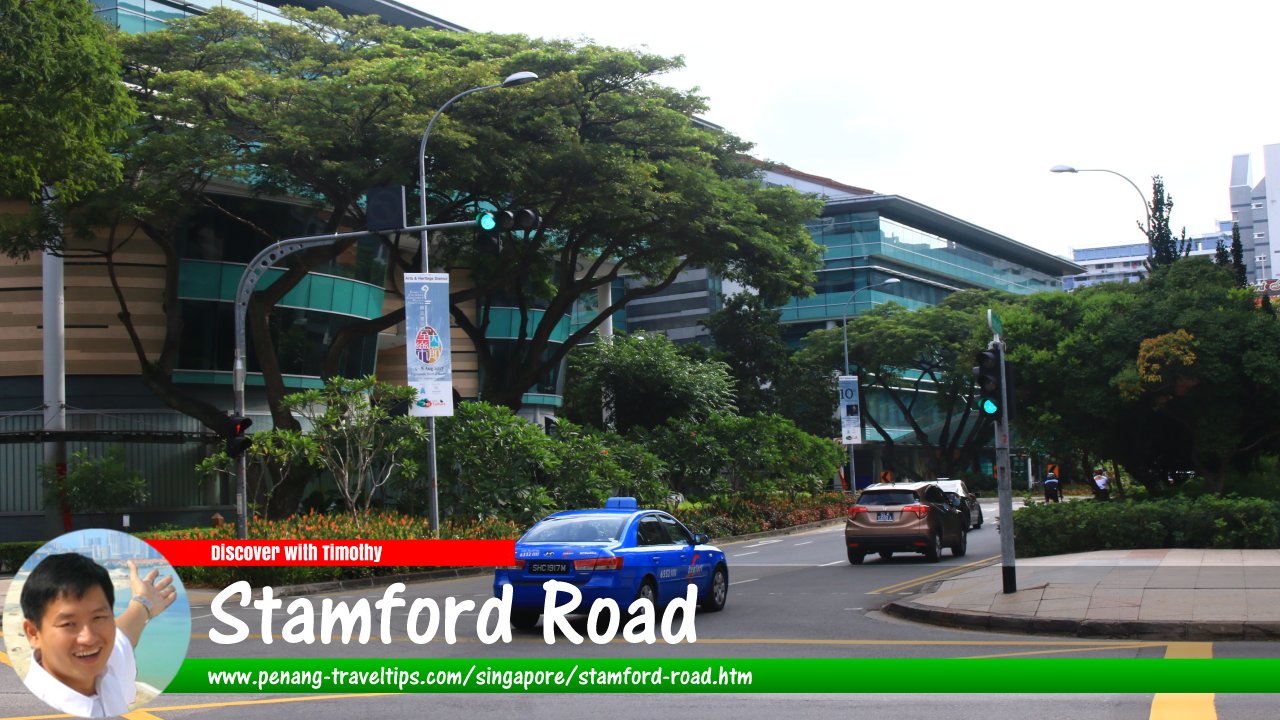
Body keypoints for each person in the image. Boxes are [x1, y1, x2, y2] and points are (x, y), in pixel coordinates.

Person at [19, 553, 177, 718]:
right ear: (33, 633)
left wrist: (144, 602)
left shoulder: (105, 667)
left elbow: (123, 636)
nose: (89, 638)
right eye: (68, 624)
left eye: (98, 617)